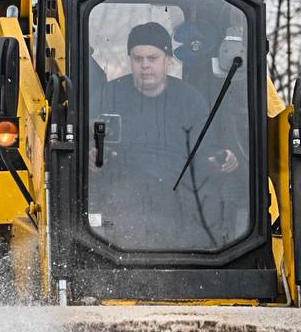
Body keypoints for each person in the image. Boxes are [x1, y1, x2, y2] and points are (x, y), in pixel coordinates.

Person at [90, 22, 237, 247]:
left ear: (168, 59)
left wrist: (223, 159)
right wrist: (91, 156)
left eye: (152, 58)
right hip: (122, 193)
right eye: (138, 58)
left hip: (178, 193)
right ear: (130, 59)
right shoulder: (107, 96)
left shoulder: (190, 100)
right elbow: (88, 144)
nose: (145, 66)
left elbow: (205, 152)